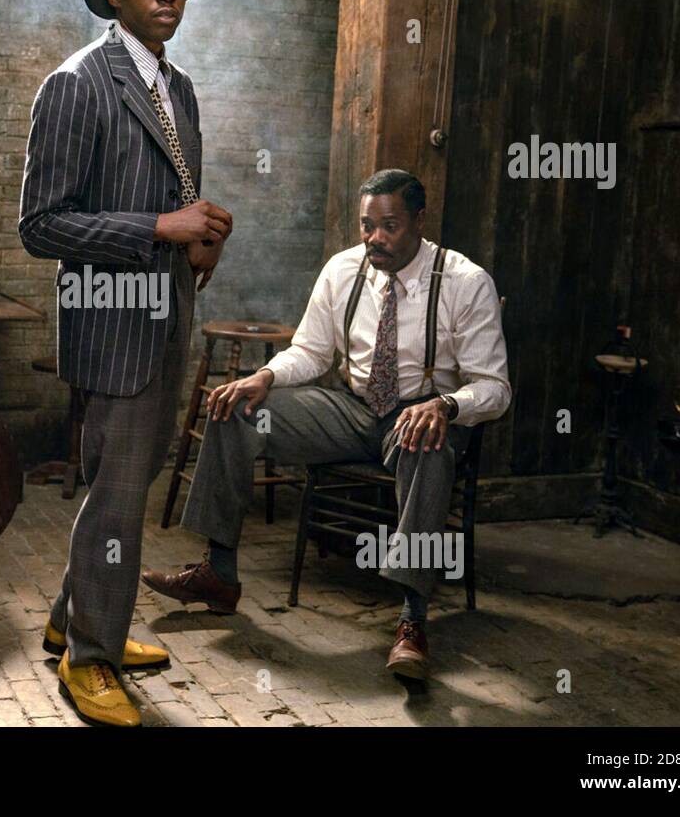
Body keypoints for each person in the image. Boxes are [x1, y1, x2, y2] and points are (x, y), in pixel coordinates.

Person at [142, 169, 510, 680]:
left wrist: (445, 405)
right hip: (354, 411)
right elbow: (312, 352)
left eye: (389, 226)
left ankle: (412, 619)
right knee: (236, 408)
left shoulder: (465, 282)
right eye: (366, 225)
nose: (375, 238)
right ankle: (219, 573)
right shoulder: (343, 269)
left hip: (423, 420)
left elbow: (495, 387)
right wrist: (265, 376)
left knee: (425, 444)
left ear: (419, 221)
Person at [18, 0, 231, 725]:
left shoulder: (176, 86)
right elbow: (41, 225)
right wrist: (157, 230)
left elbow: (175, 201)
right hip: (111, 320)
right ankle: (92, 658)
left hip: (165, 310)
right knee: (117, 491)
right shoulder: (75, 84)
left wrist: (201, 234)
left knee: (123, 482)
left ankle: (73, 619)